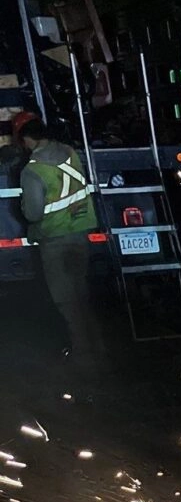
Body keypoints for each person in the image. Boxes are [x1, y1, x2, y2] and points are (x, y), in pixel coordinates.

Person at [15, 113, 101, 365]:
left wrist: (22, 205)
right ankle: (99, 347)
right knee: (81, 292)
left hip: (55, 240)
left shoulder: (32, 171)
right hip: (81, 232)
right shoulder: (70, 152)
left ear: (26, 139)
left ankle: (84, 356)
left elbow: (33, 213)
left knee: (65, 298)